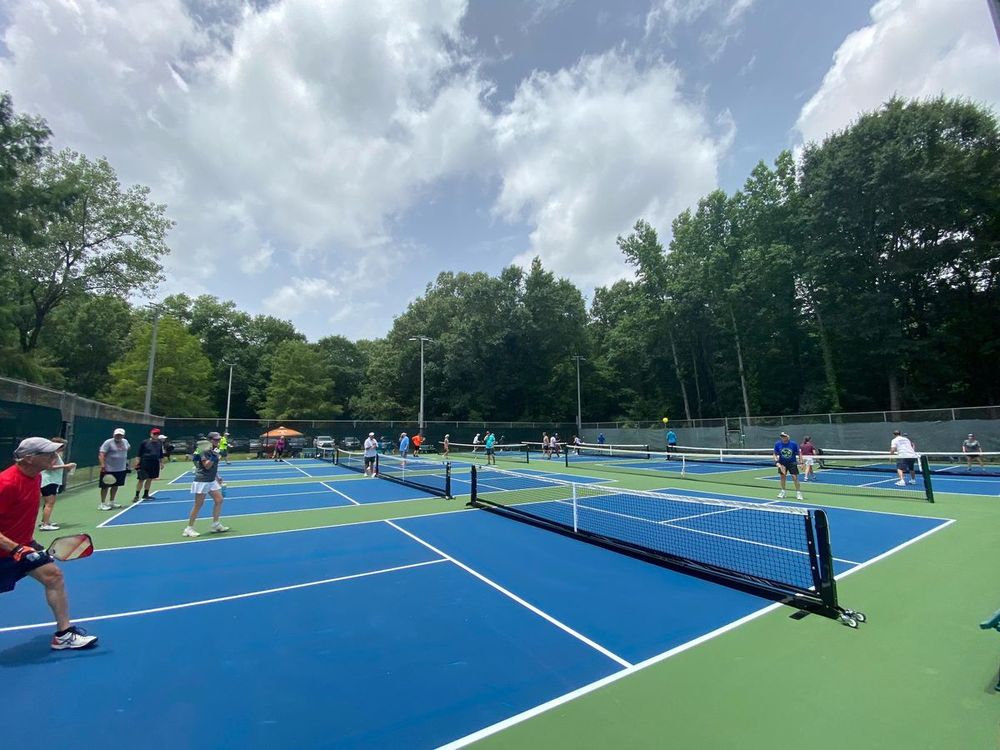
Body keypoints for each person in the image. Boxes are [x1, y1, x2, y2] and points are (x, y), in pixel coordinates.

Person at [1, 437, 98, 650]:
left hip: (22, 547)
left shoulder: (35, 477)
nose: (55, 456)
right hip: (8, 551)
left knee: (54, 576)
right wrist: (15, 547)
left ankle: (64, 635)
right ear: (29, 458)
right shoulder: (6, 484)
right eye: (49, 454)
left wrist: (28, 544)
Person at [183, 432, 229, 538]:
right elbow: (207, 466)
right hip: (202, 480)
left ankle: (215, 524)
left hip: (211, 479)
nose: (217, 441)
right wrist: (214, 456)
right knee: (198, 504)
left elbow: (213, 467)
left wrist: (218, 476)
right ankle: (189, 528)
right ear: (210, 440)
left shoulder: (214, 450)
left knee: (219, 500)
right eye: (215, 440)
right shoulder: (203, 451)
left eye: (219, 440)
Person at [39, 437, 76, 531]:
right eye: (62, 446)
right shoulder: (53, 455)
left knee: (47, 503)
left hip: (50, 481)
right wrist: (66, 466)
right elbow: (49, 467)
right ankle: (45, 525)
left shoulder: (51, 454)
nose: (63, 448)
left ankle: (45, 520)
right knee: (49, 503)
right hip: (49, 481)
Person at [98, 427, 131, 510]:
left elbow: (128, 448)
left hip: (121, 468)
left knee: (116, 485)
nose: (118, 436)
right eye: (117, 434)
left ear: (123, 435)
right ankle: (102, 503)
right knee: (105, 486)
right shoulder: (108, 442)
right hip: (108, 469)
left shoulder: (125, 442)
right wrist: (102, 465)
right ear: (114, 434)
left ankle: (111, 502)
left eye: (120, 435)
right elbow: (101, 454)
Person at [132, 427, 165, 503]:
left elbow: (160, 454)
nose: (155, 435)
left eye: (157, 434)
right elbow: (139, 454)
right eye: (154, 434)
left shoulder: (159, 443)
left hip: (154, 463)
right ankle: (136, 495)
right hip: (145, 462)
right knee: (141, 479)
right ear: (151, 434)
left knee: (150, 479)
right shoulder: (144, 442)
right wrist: (137, 463)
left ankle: (146, 494)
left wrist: (161, 463)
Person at [773, 432, 804, 501]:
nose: (783, 437)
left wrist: (801, 462)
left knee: (794, 477)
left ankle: (798, 492)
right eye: (782, 436)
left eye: (784, 436)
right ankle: (783, 491)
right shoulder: (777, 444)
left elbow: (799, 453)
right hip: (782, 463)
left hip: (792, 463)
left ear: (788, 437)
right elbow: (774, 454)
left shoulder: (793, 444)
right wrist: (777, 462)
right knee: (782, 477)